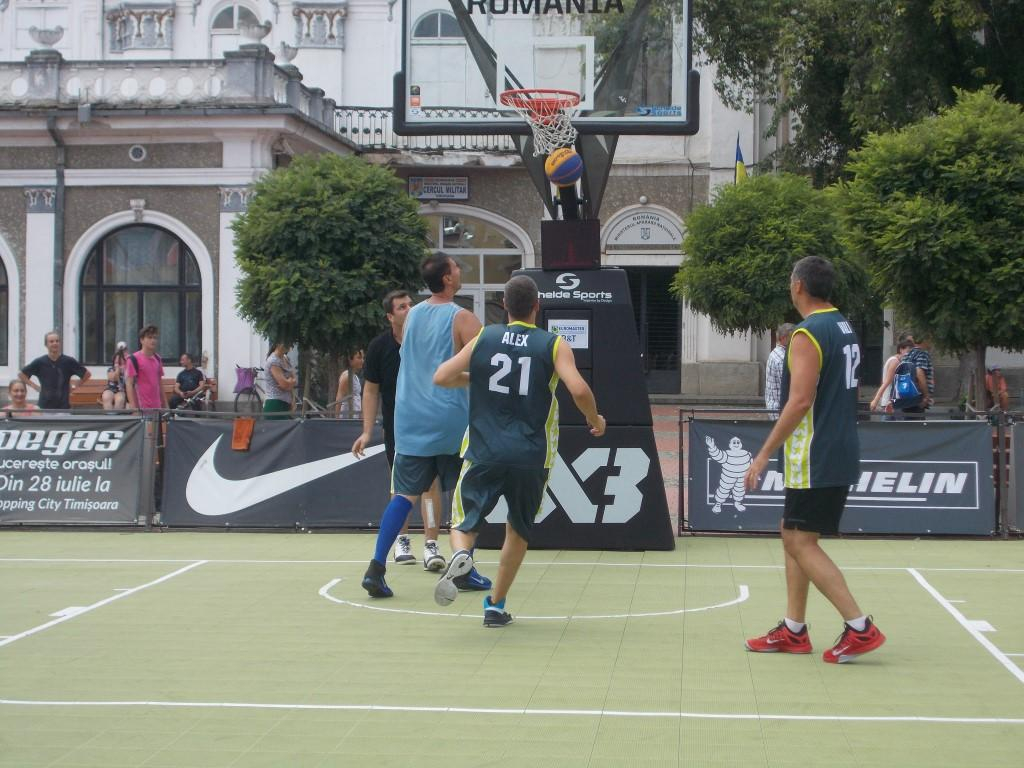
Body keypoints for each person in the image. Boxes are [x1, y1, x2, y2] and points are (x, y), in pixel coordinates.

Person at [432, 275, 606, 626]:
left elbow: (442, 377)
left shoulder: (485, 336)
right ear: (537, 307)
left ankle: (463, 555)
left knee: (464, 523)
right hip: (531, 455)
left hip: (484, 449)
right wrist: (595, 419)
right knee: (518, 529)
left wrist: (474, 378)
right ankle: (495, 605)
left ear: (504, 307)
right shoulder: (553, 345)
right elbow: (578, 389)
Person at [743, 255, 885, 664]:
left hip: (815, 451)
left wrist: (764, 452)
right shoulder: (844, 326)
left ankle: (859, 627)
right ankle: (794, 629)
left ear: (798, 286)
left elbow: (801, 399)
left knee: (799, 540)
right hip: (837, 445)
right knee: (792, 532)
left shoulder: (808, 333)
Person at [358, 252, 491, 598]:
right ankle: (465, 567)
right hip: (451, 420)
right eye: (456, 268)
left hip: (410, 419)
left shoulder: (411, 316)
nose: (460, 271)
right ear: (447, 279)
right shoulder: (463, 319)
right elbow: (489, 367)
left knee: (403, 495)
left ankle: (376, 567)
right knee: (466, 497)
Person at [353, 290, 445, 569]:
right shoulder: (380, 347)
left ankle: (431, 545)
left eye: (410, 305)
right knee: (401, 486)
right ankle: (402, 541)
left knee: (430, 485)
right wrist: (367, 431)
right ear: (390, 316)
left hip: (431, 423)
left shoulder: (429, 341)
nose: (409, 309)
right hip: (398, 428)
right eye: (402, 307)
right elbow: (370, 391)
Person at [19, 331, 91, 410]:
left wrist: (76, 386)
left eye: (57, 341)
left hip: (64, 407)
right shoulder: (40, 362)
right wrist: (35, 386)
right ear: (46, 344)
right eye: (51, 341)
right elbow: (22, 374)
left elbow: (86, 374)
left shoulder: (68, 361)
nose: (55, 343)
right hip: (44, 406)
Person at [869, 338, 921, 417]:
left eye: (911, 351)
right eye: (908, 351)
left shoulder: (898, 361)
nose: (909, 354)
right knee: (892, 427)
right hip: (891, 402)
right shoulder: (895, 362)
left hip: (891, 401)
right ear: (901, 350)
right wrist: (876, 400)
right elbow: (887, 382)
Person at [125, 325, 168, 411]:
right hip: (141, 409)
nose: (153, 340)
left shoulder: (157, 359)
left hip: (157, 408)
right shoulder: (133, 359)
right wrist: (134, 409)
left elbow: (159, 383)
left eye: (155, 338)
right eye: (149, 337)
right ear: (142, 340)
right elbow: (129, 384)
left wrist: (166, 405)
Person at [764, 323, 794, 419]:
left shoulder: (777, 353)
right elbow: (789, 384)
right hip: (780, 410)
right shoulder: (782, 358)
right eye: (793, 337)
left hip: (776, 407)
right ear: (784, 338)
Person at [900, 332, 934, 409]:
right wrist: (926, 396)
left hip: (905, 395)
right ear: (924, 341)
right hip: (917, 398)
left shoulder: (907, 355)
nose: (931, 343)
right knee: (916, 419)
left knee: (908, 419)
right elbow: (919, 373)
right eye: (930, 340)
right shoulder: (922, 354)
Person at [263, 342, 297, 417]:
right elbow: (285, 385)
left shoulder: (285, 358)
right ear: (278, 344)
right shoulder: (273, 361)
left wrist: (293, 399)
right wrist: (289, 382)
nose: (290, 346)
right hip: (275, 405)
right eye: (286, 343)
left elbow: (294, 379)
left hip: (286, 404)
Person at [335, 349, 364, 418]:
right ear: (350, 360)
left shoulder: (355, 377)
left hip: (354, 418)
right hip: (347, 419)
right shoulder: (346, 376)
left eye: (363, 358)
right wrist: (337, 420)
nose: (362, 361)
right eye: (359, 358)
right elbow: (339, 398)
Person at [102, 342, 128, 410]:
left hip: (121, 391)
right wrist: (117, 370)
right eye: (116, 362)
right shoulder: (111, 369)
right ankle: (109, 417)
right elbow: (113, 378)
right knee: (106, 397)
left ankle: (116, 417)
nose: (117, 364)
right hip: (110, 389)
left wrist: (124, 369)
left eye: (120, 362)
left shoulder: (127, 370)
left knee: (120, 400)